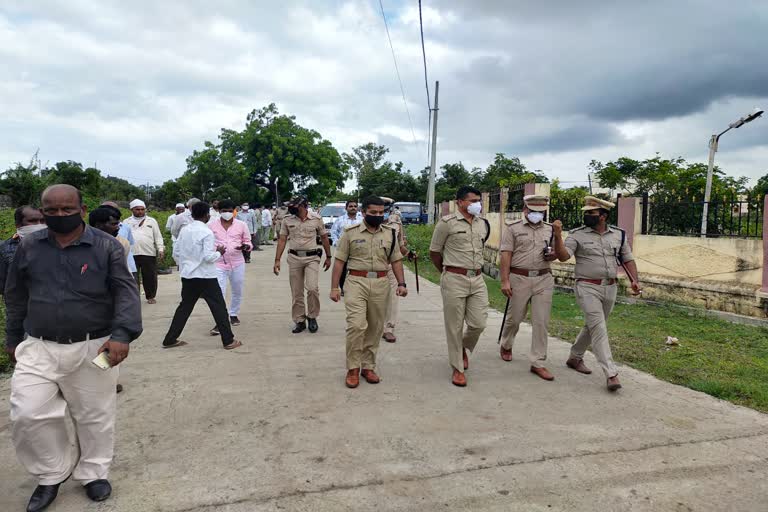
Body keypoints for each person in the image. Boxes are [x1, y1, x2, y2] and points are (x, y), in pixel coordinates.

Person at [5, 184, 142, 511]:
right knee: (28, 412)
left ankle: (94, 472)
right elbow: (15, 295)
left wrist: (122, 334)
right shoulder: (29, 246)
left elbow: (125, 293)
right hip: (38, 346)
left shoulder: (107, 246)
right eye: (50, 211)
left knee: (96, 414)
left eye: (66, 209)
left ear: (82, 210)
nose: (58, 215)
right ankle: (51, 474)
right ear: (42, 212)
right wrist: (12, 339)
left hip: (97, 347)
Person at [552, 196, 641, 392]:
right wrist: (557, 236)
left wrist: (635, 280)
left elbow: (627, 259)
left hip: (610, 286)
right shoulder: (576, 235)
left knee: (593, 325)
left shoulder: (620, 235)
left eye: (591, 213)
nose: (586, 216)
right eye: (586, 213)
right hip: (586, 286)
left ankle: (575, 357)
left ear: (603, 216)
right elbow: (564, 256)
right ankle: (611, 373)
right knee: (599, 327)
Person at [330, 196, 408, 388]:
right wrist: (334, 287)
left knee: (375, 327)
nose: (378, 216)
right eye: (373, 213)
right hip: (356, 281)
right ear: (363, 213)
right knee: (356, 326)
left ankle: (368, 366)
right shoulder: (350, 233)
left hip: (381, 283)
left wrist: (402, 283)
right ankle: (353, 368)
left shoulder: (390, 234)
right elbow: (339, 261)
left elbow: (396, 260)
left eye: (381, 213)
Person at [429, 186, 490, 387]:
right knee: (454, 326)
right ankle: (457, 368)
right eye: (472, 200)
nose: (476, 204)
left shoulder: (483, 223)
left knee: (478, 323)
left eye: (478, 200)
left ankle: (463, 347)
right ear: (460, 202)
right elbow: (435, 252)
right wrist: (447, 273)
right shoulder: (446, 224)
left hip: (478, 279)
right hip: (454, 278)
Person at [162, 201, 243, 350]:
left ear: (192, 214)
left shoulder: (185, 230)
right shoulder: (206, 232)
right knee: (219, 308)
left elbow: (176, 252)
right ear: (207, 215)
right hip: (206, 276)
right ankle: (228, 340)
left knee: (184, 308)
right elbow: (208, 257)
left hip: (188, 276)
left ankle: (170, 339)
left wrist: (186, 264)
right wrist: (220, 252)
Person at [499, 195, 561, 381]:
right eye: (533, 211)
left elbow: (558, 253)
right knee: (515, 318)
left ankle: (538, 362)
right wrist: (505, 281)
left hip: (543, 277)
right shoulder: (513, 228)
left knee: (541, 322)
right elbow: (505, 255)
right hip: (519, 277)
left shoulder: (550, 230)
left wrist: (553, 253)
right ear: (525, 209)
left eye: (541, 212)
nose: (537, 214)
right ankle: (506, 343)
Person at [273, 196, 332, 333]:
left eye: (295, 206)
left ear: (304, 206)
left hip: (312, 257)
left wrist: (328, 257)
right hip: (294, 257)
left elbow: (324, 237)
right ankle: (299, 320)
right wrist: (277, 260)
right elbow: (282, 240)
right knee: (297, 291)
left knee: (312, 288)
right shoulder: (287, 220)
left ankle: (312, 317)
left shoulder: (316, 219)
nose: (291, 208)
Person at [209, 199, 251, 333]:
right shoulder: (211, 226)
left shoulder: (242, 225)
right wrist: (215, 250)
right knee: (219, 293)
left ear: (234, 211)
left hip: (237, 262)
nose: (227, 213)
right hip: (218, 263)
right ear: (218, 211)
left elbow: (248, 241)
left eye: (229, 211)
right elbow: (207, 243)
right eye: (223, 211)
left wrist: (246, 247)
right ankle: (220, 320)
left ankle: (233, 314)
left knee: (237, 289)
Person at [124, 199, 164, 304]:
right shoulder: (126, 222)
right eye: (137, 209)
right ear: (132, 209)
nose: (140, 211)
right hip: (131, 254)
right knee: (133, 277)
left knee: (150, 277)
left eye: (142, 209)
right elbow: (122, 238)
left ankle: (150, 296)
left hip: (148, 253)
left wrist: (160, 249)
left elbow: (158, 236)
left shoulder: (151, 221)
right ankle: (134, 297)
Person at [381, 198, 409, 343]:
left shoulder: (396, 221)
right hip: (373, 267)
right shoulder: (366, 221)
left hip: (391, 266)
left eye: (385, 210)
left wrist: (408, 253)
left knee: (392, 298)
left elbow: (400, 244)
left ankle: (389, 329)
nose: (383, 213)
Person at [0, 205, 46, 292]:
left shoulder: (57, 244)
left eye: (43, 221)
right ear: (18, 224)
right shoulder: (5, 249)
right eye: (33, 221)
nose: (40, 225)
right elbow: (3, 285)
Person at [330, 200, 363, 295]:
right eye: (350, 206)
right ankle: (343, 288)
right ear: (346, 208)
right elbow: (333, 232)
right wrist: (337, 243)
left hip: (358, 249)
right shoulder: (340, 220)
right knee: (342, 270)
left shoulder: (362, 220)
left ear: (357, 208)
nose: (353, 208)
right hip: (343, 249)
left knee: (357, 269)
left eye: (355, 206)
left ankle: (357, 288)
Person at [100, 201, 138, 281]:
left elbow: (130, 245)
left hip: (128, 268)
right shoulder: (92, 234)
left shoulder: (125, 227)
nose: (116, 228)